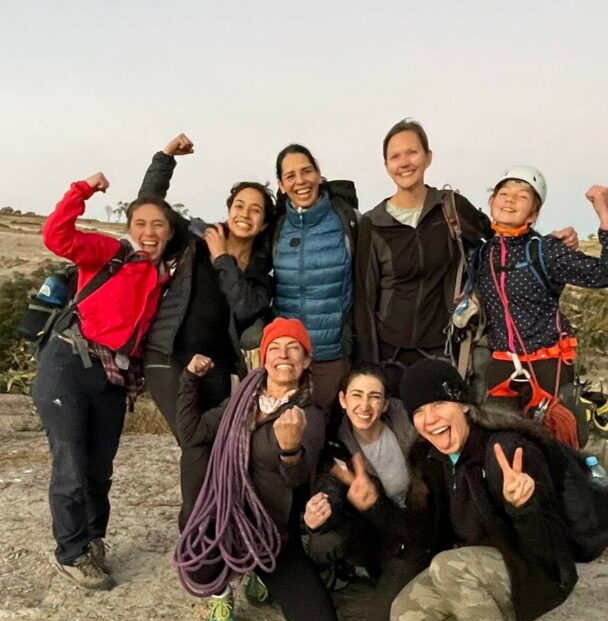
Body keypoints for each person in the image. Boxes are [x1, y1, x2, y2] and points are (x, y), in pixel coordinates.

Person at [392, 358, 578, 621]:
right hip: (478, 567)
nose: (429, 419)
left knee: (448, 567)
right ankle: (490, 616)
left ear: (463, 403)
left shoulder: (506, 450)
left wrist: (524, 506)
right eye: (419, 411)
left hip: (530, 569)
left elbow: (551, 547)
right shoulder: (432, 457)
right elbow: (428, 530)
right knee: (404, 617)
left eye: (438, 404)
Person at [34, 172, 183, 590]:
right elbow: (56, 235)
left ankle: (92, 541)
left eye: (159, 225)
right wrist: (82, 190)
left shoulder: (161, 280)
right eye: (141, 224)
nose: (149, 232)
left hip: (112, 376)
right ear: (129, 228)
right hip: (68, 363)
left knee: (100, 469)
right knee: (72, 464)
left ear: (170, 233)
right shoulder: (108, 252)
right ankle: (70, 552)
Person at [354, 119, 578, 396]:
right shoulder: (373, 224)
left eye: (412, 152)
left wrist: (545, 245)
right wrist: (369, 364)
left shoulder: (450, 208)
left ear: (428, 157)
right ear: (386, 165)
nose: (404, 162)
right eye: (395, 156)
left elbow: (503, 239)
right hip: (390, 352)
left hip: (444, 348)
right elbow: (364, 299)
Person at [174, 318, 338, 621]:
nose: (284, 355)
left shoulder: (311, 416)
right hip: (226, 520)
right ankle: (221, 592)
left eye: (294, 348)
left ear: (306, 361)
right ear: (264, 359)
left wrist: (290, 450)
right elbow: (192, 433)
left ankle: (260, 572)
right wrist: (189, 380)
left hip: (271, 534)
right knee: (195, 460)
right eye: (275, 348)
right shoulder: (243, 400)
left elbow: (297, 479)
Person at [138, 133, 275, 528]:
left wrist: (223, 260)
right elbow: (150, 208)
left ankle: (216, 530)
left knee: (217, 448)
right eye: (239, 205)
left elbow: (245, 306)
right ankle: (198, 535)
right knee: (195, 444)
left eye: (256, 209)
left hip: (216, 368)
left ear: (264, 221)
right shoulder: (195, 241)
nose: (245, 213)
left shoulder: (260, 276)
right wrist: (165, 157)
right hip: (168, 356)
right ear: (228, 208)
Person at [472, 167, 608, 442]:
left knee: (557, 442)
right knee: (499, 442)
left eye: (522, 196)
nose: (510, 200)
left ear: (533, 215)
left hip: (549, 360)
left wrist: (603, 213)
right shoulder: (480, 253)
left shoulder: (545, 250)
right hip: (502, 361)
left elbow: (602, 273)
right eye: (504, 193)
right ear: (491, 203)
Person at [304, 363, 432, 621]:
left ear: (386, 403)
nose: (364, 405)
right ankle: (357, 570)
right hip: (370, 536)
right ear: (342, 400)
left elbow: (426, 518)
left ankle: (410, 580)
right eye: (357, 395)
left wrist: (376, 504)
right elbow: (330, 489)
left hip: (406, 541)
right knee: (321, 543)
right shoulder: (335, 443)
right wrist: (318, 516)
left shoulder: (411, 432)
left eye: (374, 397)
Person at [273, 144, 358, 410]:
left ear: (319, 174)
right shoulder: (276, 227)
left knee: (329, 436)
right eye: (290, 175)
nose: (300, 181)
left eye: (306, 171)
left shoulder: (347, 220)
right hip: (286, 360)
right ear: (281, 184)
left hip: (333, 356)